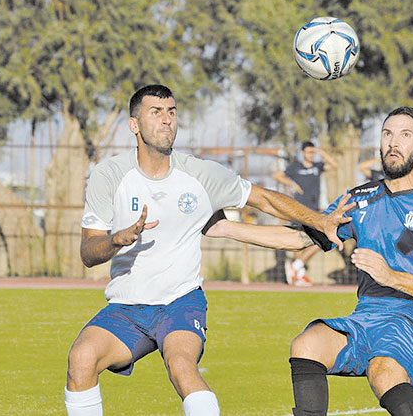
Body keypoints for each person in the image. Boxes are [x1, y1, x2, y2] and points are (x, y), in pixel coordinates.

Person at [65, 84, 349, 416]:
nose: (166, 120)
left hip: (180, 302)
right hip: (127, 306)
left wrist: (317, 223)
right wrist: (116, 239)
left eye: (171, 112)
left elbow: (265, 200)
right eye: (155, 113)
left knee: (181, 365)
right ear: (134, 125)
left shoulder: (201, 175)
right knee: (80, 359)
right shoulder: (109, 175)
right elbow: (88, 252)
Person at [286, 106, 413, 416]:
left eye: (405, 135)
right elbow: (302, 237)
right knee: (307, 345)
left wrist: (390, 276)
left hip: (410, 322)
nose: (394, 142)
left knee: (384, 372)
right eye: (387, 134)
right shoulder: (360, 198)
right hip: (366, 317)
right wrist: (228, 228)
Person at [273, 141, 338, 285]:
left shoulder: (317, 167)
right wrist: (292, 184)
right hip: (298, 209)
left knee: (320, 240)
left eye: (312, 152)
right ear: (302, 153)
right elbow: (277, 175)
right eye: (308, 152)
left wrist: (321, 152)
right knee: (299, 242)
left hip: (314, 210)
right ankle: (299, 275)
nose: (311, 155)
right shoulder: (295, 167)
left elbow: (334, 165)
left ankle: (296, 266)